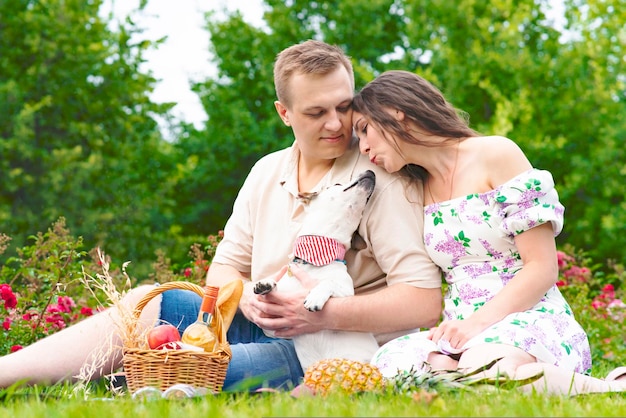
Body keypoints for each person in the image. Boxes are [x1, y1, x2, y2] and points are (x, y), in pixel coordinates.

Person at [0, 42, 442, 392]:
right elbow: (224, 269)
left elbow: (423, 301)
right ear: (284, 113)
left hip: (326, 349)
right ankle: (6, 373)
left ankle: (142, 378)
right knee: (147, 300)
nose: (337, 124)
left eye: (344, 107)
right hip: (253, 321)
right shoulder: (267, 171)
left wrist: (324, 316)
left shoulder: (378, 175)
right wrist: (246, 294)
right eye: (316, 112)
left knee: (186, 367)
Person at [350, 69, 626, 395]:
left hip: (530, 315)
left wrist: (476, 325)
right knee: (396, 367)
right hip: (458, 329)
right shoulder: (411, 188)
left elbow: (542, 268)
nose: (363, 146)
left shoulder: (496, 154)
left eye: (365, 130)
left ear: (396, 113)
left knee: (484, 370)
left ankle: (612, 389)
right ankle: (466, 375)